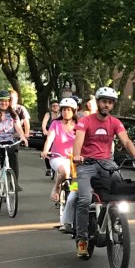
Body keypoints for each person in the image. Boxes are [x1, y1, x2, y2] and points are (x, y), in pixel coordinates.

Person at [71, 86, 135, 258]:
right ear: (98, 103)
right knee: (84, 199)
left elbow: (126, 141)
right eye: (104, 101)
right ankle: (82, 240)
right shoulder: (85, 121)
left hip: (107, 163)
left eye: (110, 103)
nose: (107, 105)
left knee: (120, 191)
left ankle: (116, 221)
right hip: (86, 164)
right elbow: (78, 141)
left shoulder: (115, 123)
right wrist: (77, 155)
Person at [42, 98, 78, 231]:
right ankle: (56, 188)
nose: (66, 112)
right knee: (64, 172)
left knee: (77, 185)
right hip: (58, 157)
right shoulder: (55, 124)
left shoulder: (79, 125)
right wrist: (45, 150)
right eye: (63, 109)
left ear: (74, 111)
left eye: (69, 110)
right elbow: (50, 138)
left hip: (75, 159)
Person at [41, 99, 61, 176]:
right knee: (47, 150)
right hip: (49, 133)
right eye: (53, 106)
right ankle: (48, 168)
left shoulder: (61, 114)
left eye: (57, 106)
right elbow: (44, 124)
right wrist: (44, 130)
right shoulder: (48, 114)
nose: (55, 107)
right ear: (51, 107)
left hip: (58, 134)